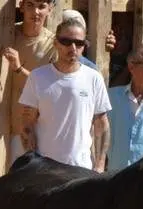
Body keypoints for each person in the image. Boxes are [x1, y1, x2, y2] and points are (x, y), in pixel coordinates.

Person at [19, 18, 111, 171]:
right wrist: (32, 160)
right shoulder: (37, 77)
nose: (73, 47)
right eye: (66, 41)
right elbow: (26, 122)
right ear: (55, 43)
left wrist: (100, 165)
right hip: (44, 169)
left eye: (79, 43)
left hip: (80, 169)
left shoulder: (94, 78)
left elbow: (101, 123)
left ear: (84, 46)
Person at [3, 0, 56, 167]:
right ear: (21, 7)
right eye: (31, 5)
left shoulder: (53, 44)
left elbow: (51, 87)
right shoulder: (8, 33)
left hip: (35, 131)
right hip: (0, 127)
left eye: (41, 7)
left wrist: (19, 69)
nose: (36, 12)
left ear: (50, 9)